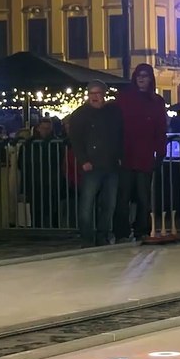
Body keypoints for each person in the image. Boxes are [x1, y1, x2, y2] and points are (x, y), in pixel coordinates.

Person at [113, 63, 168, 241]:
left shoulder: (156, 101)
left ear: (150, 78)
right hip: (126, 154)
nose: (142, 79)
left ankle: (142, 229)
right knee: (124, 197)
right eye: (139, 76)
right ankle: (121, 231)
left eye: (145, 76)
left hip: (144, 155)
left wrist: (160, 152)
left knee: (144, 197)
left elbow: (160, 129)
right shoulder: (124, 98)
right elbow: (117, 127)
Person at [66, 81, 124, 246]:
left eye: (97, 93)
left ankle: (102, 235)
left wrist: (119, 156)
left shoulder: (113, 112)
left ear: (103, 94)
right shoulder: (80, 114)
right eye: (92, 93)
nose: (94, 97)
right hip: (92, 165)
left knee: (109, 203)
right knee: (87, 202)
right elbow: (75, 140)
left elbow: (119, 134)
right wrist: (83, 160)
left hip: (111, 163)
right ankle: (86, 236)